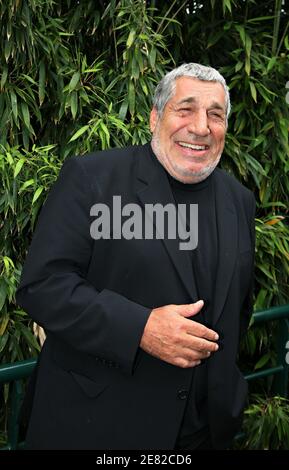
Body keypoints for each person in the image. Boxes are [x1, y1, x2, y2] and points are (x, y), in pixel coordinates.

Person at [16, 63, 255, 450]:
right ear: (155, 118)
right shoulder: (94, 179)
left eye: (215, 114)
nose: (201, 127)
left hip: (203, 433)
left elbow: (239, 308)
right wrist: (140, 328)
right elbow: (42, 286)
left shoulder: (238, 199)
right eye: (186, 109)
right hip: (100, 427)